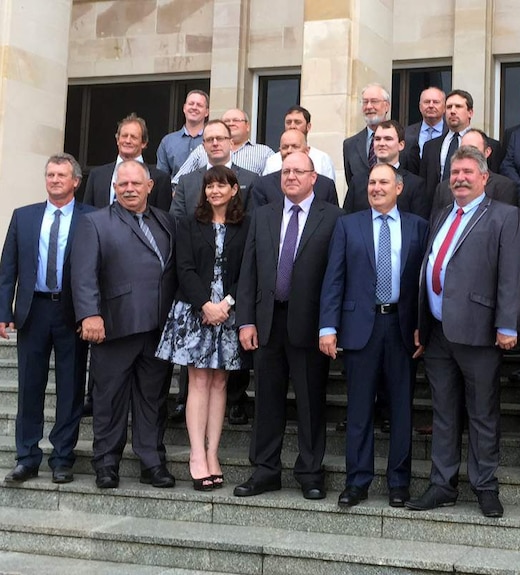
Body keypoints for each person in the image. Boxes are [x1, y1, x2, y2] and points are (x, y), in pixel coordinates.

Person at [406, 146, 520, 518]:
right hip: (439, 331)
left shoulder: (504, 216)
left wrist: (507, 323)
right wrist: (421, 325)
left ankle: (485, 486)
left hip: (480, 330)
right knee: (443, 411)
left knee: (482, 413)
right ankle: (443, 484)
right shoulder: (441, 213)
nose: (459, 178)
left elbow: (511, 273)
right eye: (454, 173)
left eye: (467, 172)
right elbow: (430, 267)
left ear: (484, 177)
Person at [233, 152, 343, 499]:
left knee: (310, 401)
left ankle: (310, 471)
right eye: (286, 171)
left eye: (299, 171)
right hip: (267, 322)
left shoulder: (333, 218)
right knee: (266, 399)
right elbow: (248, 270)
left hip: (309, 325)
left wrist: (329, 325)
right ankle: (266, 470)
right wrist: (246, 320)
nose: (291, 176)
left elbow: (336, 277)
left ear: (314, 179)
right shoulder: (262, 216)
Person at [319, 162, 429, 508]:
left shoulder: (418, 227)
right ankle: (357, 482)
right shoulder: (347, 226)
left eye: (383, 182)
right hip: (358, 330)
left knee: (401, 410)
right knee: (360, 410)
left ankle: (399, 483)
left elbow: (423, 284)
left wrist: (423, 327)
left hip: (400, 328)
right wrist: (328, 327)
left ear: (399, 188)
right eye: (371, 182)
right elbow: (334, 278)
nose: (376, 187)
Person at [71, 160, 177, 489]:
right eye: (122, 184)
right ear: (115, 188)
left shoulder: (167, 221)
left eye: (135, 183)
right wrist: (89, 314)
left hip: (158, 328)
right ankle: (106, 463)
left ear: (150, 186)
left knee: (152, 399)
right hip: (114, 325)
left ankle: (151, 462)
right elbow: (83, 273)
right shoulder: (95, 222)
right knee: (109, 399)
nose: (129, 188)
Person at [0, 153, 93, 484]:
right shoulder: (23, 217)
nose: (54, 179)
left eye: (61, 175)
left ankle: (62, 458)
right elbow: (8, 267)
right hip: (33, 310)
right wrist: (3, 310)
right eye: (50, 174)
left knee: (70, 388)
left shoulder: (92, 218)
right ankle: (27, 457)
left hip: (71, 312)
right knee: (29, 386)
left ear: (76, 182)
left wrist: (92, 313)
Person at [156, 166, 250, 491]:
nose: (214, 191)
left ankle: (213, 454)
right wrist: (205, 305)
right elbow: (184, 268)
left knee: (220, 382)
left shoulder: (245, 225)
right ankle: (197, 454)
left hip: (229, 313)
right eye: (209, 186)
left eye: (221, 185)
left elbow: (247, 269)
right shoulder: (189, 224)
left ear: (234, 189)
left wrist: (226, 304)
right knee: (197, 380)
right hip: (195, 311)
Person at [82, 113, 173, 212]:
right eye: (124, 136)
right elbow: (87, 214)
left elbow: (163, 219)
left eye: (133, 137)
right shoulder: (97, 175)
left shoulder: (160, 179)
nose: (128, 141)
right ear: (117, 140)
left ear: (144, 143)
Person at [344, 120, 430, 219]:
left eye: (388, 139)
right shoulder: (357, 182)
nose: (381, 143)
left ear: (401, 145)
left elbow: (419, 226)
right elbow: (347, 221)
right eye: (377, 139)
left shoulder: (416, 185)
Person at [172, 109, 275, 184]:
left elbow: (272, 185)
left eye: (236, 120)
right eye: (226, 121)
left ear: (247, 126)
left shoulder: (264, 153)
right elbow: (178, 182)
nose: (231, 123)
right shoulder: (201, 150)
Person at [431, 130, 518, 212]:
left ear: (487, 152)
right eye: (463, 149)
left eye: (473, 149)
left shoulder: (504, 187)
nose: (467, 154)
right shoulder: (443, 188)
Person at [250, 130, 338, 208]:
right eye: (285, 147)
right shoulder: (263, 185)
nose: (289, 150)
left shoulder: (326, 186)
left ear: (307, 151)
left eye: (295, 146)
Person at [261, 105, 336, 182]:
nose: (292, 126)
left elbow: (328, 189)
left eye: (297, 122)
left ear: (308, 126)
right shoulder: (272, 161)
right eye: (288, 122)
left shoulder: (322, 159)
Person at [343, 83, 391, 188]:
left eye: (374, 101)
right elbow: (351, 183)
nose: (369, 106)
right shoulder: (350, 145)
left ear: (386, 106)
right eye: (365, 102)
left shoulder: (403, 140)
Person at [156, 89, 209, 178]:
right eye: (191, 104)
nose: (194, 107)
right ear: (184, 108)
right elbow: (161, 177)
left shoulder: (213, 140)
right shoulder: (168, 141)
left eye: (199, 105)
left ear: (207, 112)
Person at [403, 87, 447, 174]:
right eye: (427, 102)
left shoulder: (451, 133)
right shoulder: (406, 133)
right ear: (420, 107)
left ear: (444, 107)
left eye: (436, 102)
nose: (431, 106)